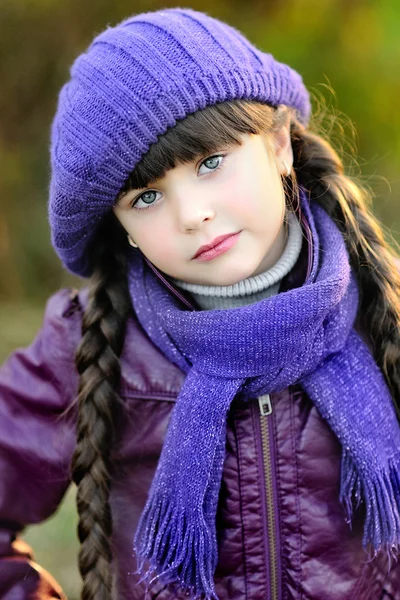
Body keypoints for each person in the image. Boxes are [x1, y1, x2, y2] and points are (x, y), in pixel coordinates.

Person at [1, 7, 400, 600]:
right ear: (121, 228)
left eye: (211, 163)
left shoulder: (383, 309)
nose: (192, 215)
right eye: (146, 197)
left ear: (280, 146)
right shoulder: (87, 347)